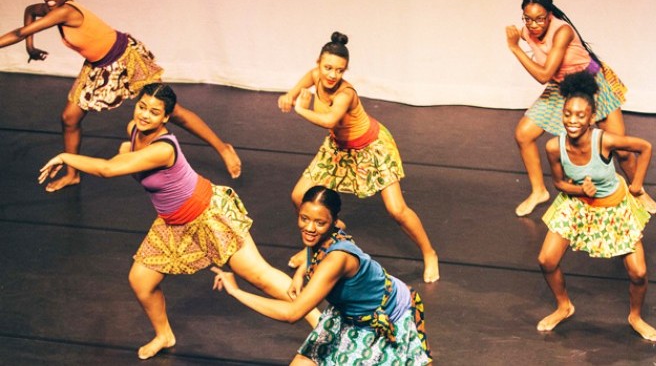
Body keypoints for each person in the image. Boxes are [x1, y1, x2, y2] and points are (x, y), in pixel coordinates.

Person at [38, 83, 318, 360]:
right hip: (173, 223)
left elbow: (108, 169)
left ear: (166, 117)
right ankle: (164, 335)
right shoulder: (134, 130)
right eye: (142, 107)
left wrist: (65, 156)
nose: (145, 115)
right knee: (141, 280)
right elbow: (128, 156)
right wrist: (126, 150)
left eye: (154, 112)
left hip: (208, 215)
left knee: (259, 276)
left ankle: (320, 322)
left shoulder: (163, 148)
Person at [2, 0, 241, 192]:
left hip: (126, 57)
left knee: (174, 112)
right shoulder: (51, 8)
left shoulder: (65, 12)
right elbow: (30, 11)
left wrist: (25, 41)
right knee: (69, 118)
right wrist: (30, 48)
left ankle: (223, 148)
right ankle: (72, 174)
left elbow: (21, 32)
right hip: (98, 66)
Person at [277, 31, 439, 283]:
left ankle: (429, 253)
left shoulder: (346, 94)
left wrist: (299, 108)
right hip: (338, 147)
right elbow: (307, 80)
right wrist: (291, 93)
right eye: (328, 68)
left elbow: (330, 120)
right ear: (318, 63)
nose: (332, 75)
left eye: (339, 70)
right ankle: (328, 235)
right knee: (299, 196)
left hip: (371, 147)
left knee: (396, 210)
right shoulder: (316, 75)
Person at [212, 185, 432, 365]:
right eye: (304, 218)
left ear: (334, 222)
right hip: (347, 313)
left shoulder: (337, 260)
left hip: (386, 314)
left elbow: (292, 314)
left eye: (320, 222)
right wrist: (300, 273)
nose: (309, 228)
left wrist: (237, 292)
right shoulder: (324, 235)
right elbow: (314, 248)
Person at [505, 0, 656, 217]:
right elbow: (547, 69)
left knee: (622, 150)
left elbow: (544, 75)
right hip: (562, 86)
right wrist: (519, 36)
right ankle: (538, 191)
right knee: (523, 134)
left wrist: (515, 47)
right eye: (528, 19)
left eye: (539, 19)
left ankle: (638, 191)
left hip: (591, 83)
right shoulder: (528, 31)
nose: (534, 25)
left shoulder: (562, 31)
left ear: (549, 15)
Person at [536, 72, 656, 341]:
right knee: (546, 260)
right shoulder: (554, 147)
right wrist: (580, 190)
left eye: (580, 115)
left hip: (614, 208)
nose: (572, 120)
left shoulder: (604, 140)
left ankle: (635, 317)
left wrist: (637, 185)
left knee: (639, 273)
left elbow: (645, 147)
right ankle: (564, 307)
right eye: (568, 114)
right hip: (577, 205)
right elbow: (558, 183)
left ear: (591, 118)